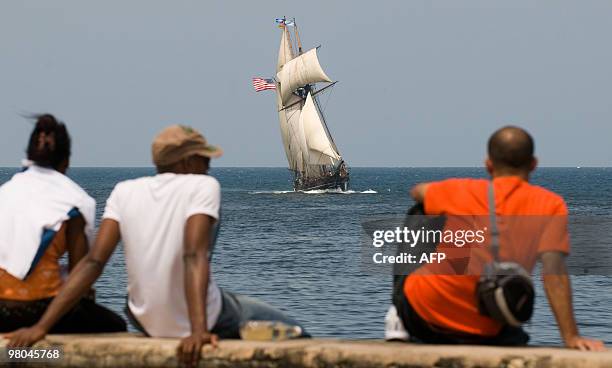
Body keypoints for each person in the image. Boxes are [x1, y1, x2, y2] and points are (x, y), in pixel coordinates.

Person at [5, 125, 308, 366]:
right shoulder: (203, 186)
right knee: (294, 332)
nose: (209, 167)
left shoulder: (124, 191)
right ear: (187, 161)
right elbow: (193, 256)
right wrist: (199, 331)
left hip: (143, 315)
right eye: (204, 159)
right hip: (201, 316)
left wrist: (41, 328)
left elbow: (93, 263)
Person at [389, 126, 604, 351]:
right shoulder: (551, 205)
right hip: (488, 328)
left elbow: (417, 191)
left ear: (488, 165)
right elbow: (554, 273)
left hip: (422, 315)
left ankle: (397, 315)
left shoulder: (459, 190)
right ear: (533, 164)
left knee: (421, 210)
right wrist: (571, 337)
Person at [0, 114, 126, 334]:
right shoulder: (73, 200)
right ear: (66, 161)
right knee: (116, 326)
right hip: (37, 311)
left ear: (28, 157)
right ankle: (41, 357)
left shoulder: (5, 193)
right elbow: (82, 274)